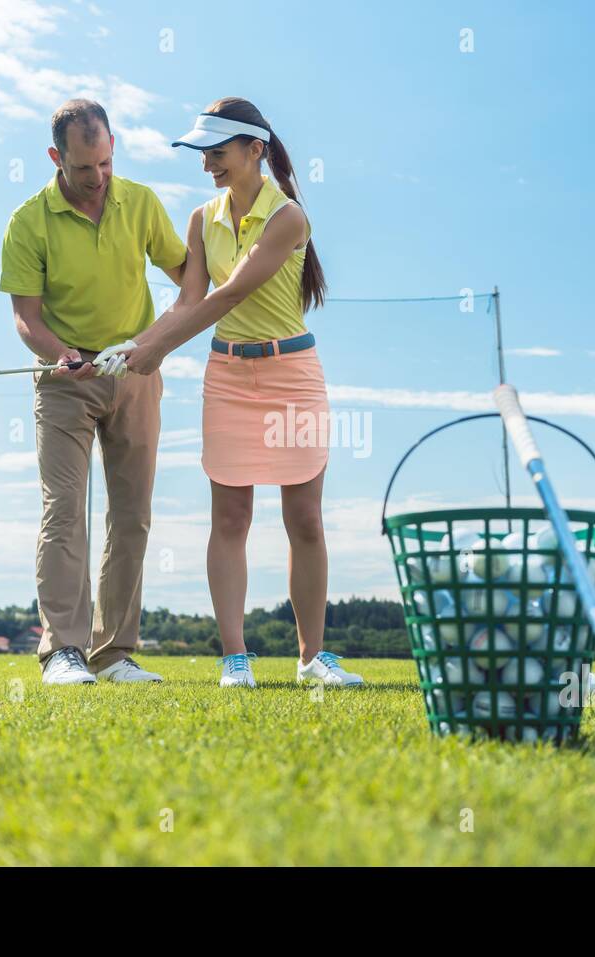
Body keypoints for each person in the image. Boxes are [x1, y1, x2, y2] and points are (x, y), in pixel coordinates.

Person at [107, 98, 364, 690]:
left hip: (292, 375)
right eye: (203, 155)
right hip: (226, 378)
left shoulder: (289, 218)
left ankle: (311, 657)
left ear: (256, 150)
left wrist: (158, 352)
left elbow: (229, 296)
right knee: (230, 517)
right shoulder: (201, 219)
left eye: (217, 154)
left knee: (304, 518)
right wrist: (132, 347)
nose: (208, 166)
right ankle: (234, 658)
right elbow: (189, 300)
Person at [0, 99, 187, 685]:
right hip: (65, 381)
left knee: (132, 517)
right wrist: (60, 354)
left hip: (136, 373)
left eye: (106, 162)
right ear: (57, 158)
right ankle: (64, 652)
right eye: (85, 167)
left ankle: (114, 655)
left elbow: (191, 279)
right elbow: (26, 318)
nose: (99, 177)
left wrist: (152, 342)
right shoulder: (29, 221)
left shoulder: (142, 203)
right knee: (65, 512)